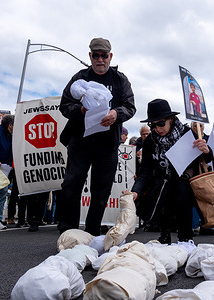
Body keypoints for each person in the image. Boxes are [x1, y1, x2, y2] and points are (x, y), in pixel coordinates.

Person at [58, 37, 136, 235]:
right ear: (90, 56)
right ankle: (69, 232)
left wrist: (116, 114)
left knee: (101, 191)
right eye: (96, 55)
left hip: (107, 143)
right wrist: (81, 110)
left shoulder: (120, 79)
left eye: (104, 56)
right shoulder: (79, 77)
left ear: (110, 56)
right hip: (80, 140)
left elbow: (130, 106)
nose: (100, 60)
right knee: (71, 185)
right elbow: (65, 105)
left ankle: (91, 233)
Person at [128, 99, 212, 244]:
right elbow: (145, 171)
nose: (157, 128)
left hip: (185, 182)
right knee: (162, 200)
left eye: (161, 123)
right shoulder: (150, 141)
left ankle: (186, 238)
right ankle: (164, 235)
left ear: (171, 119)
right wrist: (135, 191)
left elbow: (207, 159)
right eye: (152, 125)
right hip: (161, 183)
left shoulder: (187, 134)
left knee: (182, 197)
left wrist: (206, 150)